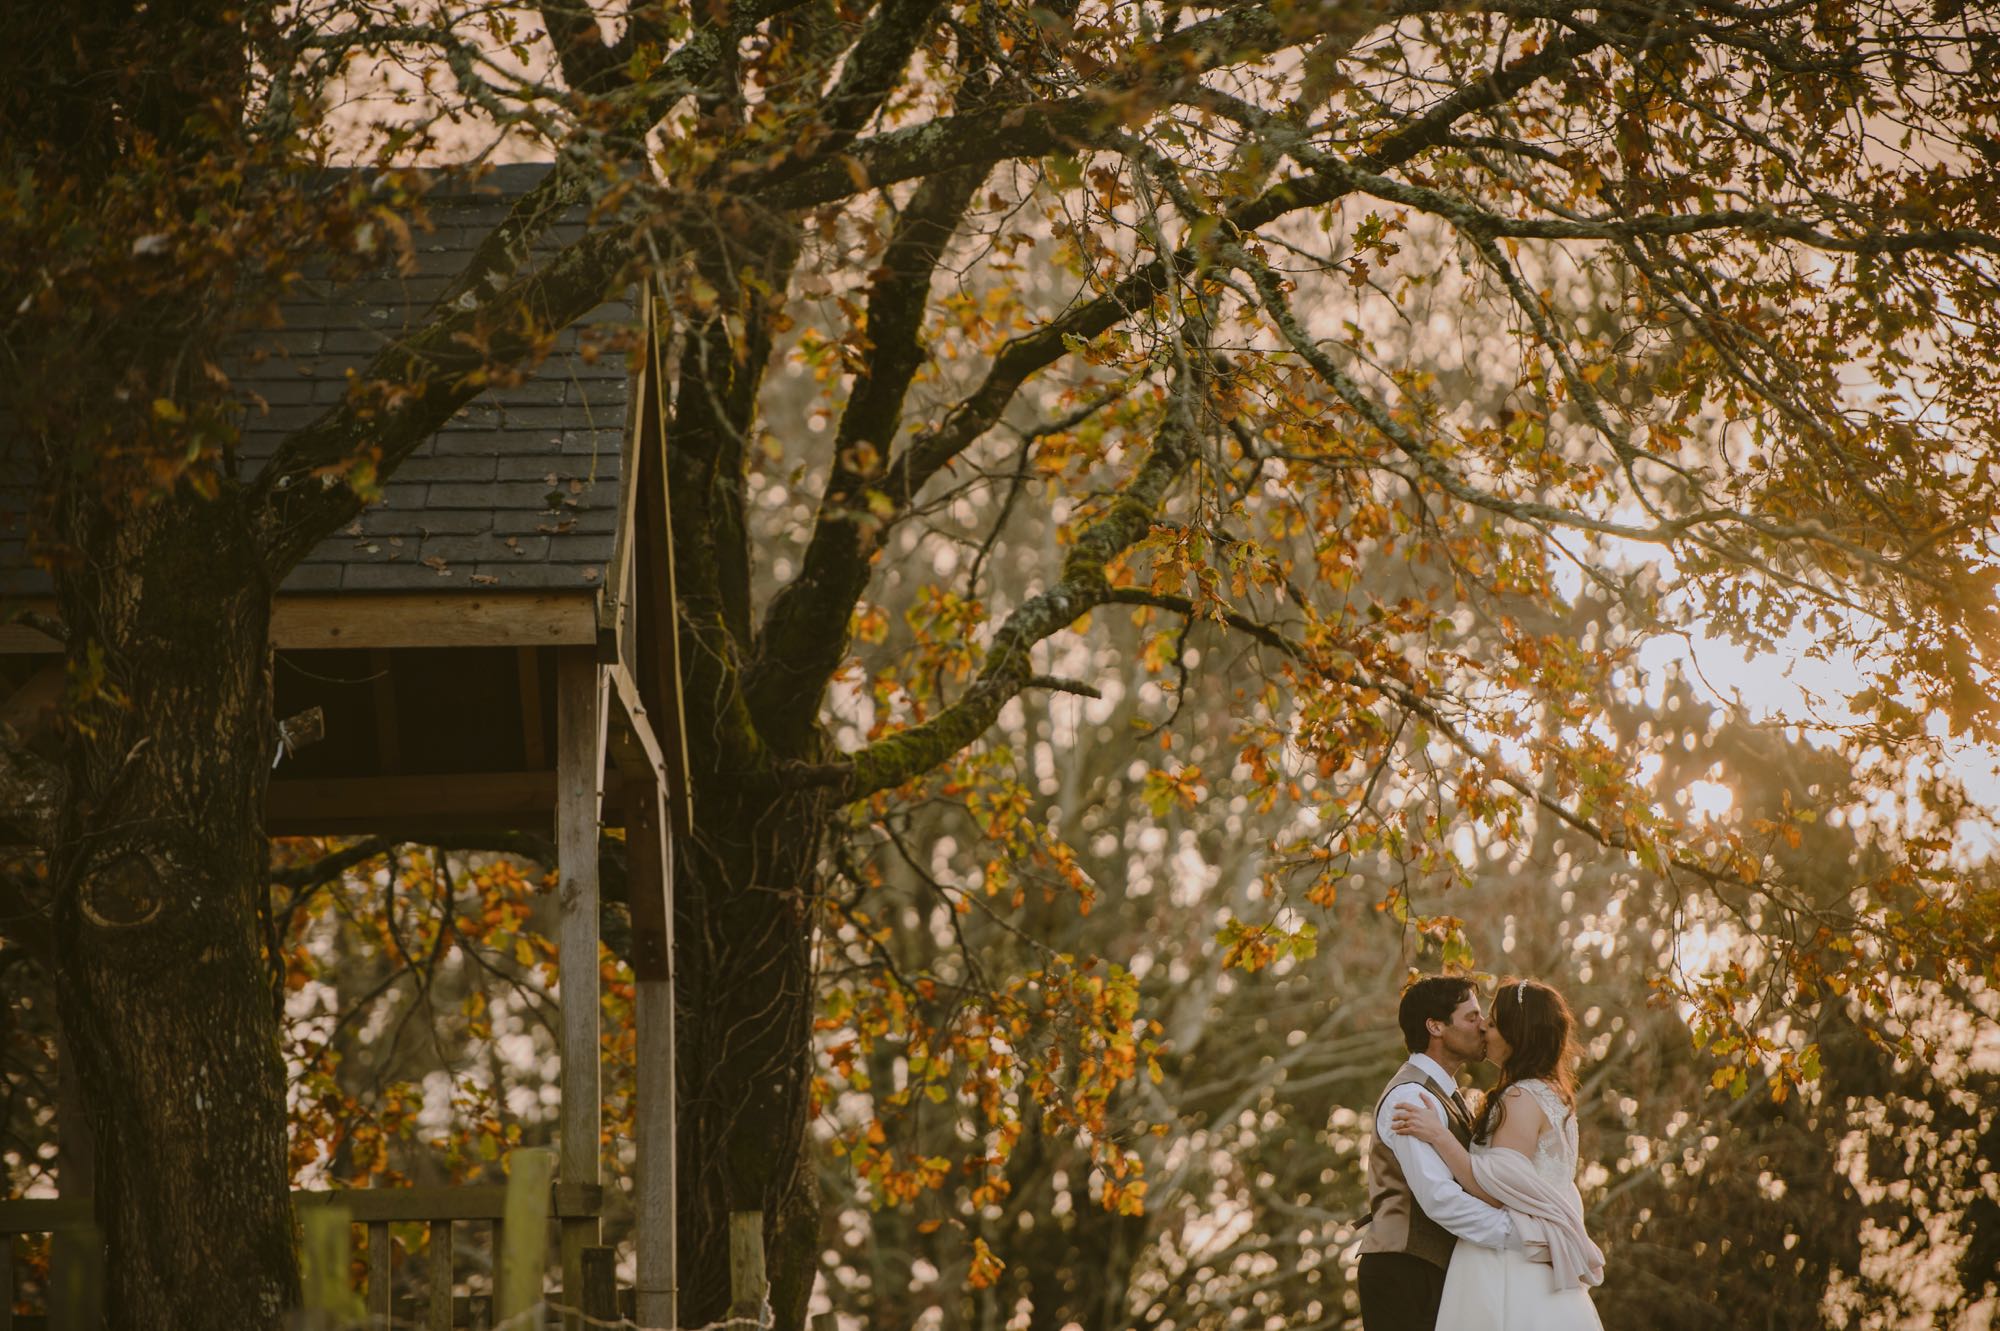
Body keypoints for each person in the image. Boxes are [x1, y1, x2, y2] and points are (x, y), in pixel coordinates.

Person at [1391, 977, 1605, 1330]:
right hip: (1539, 1269)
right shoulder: (1554, 1095)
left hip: (1507, 1266)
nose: (1484, 1029)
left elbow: (1495, 1189)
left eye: (1491, 1021)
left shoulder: (1521, 1098)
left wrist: (1439, 1136)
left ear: (1515, 1033)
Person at [1357, 976, 1530, 1331]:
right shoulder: (1409, 1098)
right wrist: (1517, 1235)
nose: (1483, 1026)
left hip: (1433, 1271)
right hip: (1403, 1273)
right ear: (1435, 1026)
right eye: (1471, 1017)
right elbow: (1440, 1199)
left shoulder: (1447, 1095)